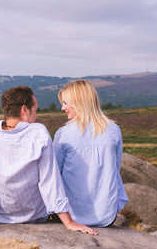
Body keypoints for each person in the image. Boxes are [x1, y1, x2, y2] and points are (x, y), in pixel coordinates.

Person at [0, 85, 97, 239]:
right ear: (25, 110)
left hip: (0, 218)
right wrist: (69, 222)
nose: (37, 116)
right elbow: (49, 181)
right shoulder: (38, 133)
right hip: (36, 217)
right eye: (35, 110)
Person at [53, 79, 128, 227]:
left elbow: (55, 174)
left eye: (66, 103)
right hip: (106, 216)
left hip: (70, 216)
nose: (62, 108)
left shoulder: (64, 134)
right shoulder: (114, 131)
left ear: (79, 102)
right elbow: (115, 170)